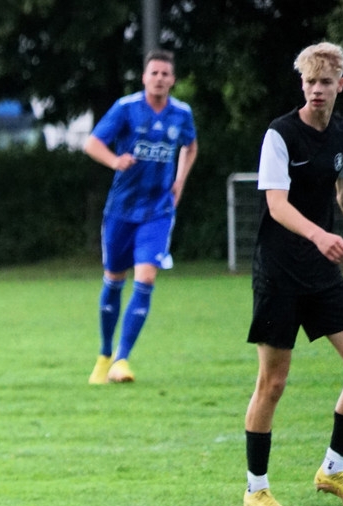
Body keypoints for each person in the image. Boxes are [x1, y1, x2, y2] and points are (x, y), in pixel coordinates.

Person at [243, 42, 343, 506]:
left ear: (340, 84)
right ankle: (256, 488)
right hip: (278, 271)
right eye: (309, 82)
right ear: (301, 85)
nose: (316, 90)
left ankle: (333, 470)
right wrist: (320, 235)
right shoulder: (280, 134)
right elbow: (277, 205)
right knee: (273, 382)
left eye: (324, 82)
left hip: (321, 272)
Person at [84, 49, 198, 384]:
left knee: (146, 278)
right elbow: (92, 143)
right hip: (121, 210)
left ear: (173, 80)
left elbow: (190, 146)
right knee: (113, 279)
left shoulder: (181, 113)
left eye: (165, 74)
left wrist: (180, 180)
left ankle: (122, 359)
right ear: (144, 77)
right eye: (154, 73)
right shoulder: (126, 108)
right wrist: (114, 161)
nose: (159, 78)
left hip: (158, 211)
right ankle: (104, 355)